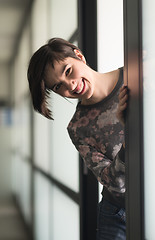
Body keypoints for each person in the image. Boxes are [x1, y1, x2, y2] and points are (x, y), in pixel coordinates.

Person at [27, 38, 128, 240]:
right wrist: (129, 132)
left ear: (79, 56)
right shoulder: (77, 127)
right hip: (117, 214)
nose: (70, 85)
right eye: (58, 87)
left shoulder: (134, 76)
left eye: (68, 71)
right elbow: (114, 182)